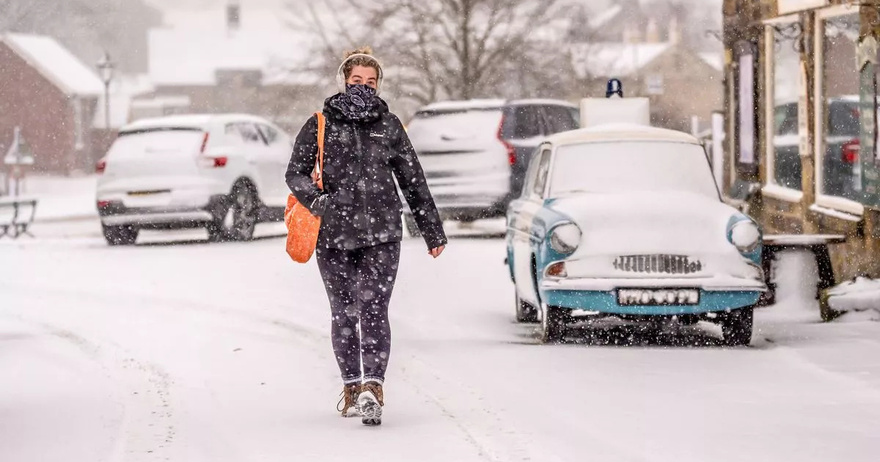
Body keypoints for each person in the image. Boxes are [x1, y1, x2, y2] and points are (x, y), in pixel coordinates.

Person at [285, 47, 447, 426]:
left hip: (382, 233)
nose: (363, 87)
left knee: (374, 309)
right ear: (344, 81)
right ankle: (352, 388)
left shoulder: (389, 126)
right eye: (356, 81)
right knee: (344, 313)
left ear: (378, 85)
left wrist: (432, 231)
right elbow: (295, 173)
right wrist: (319, 201)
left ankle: (374, 387)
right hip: (333, 235)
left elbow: (413, 181)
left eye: (370, 82)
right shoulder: (320, 124)